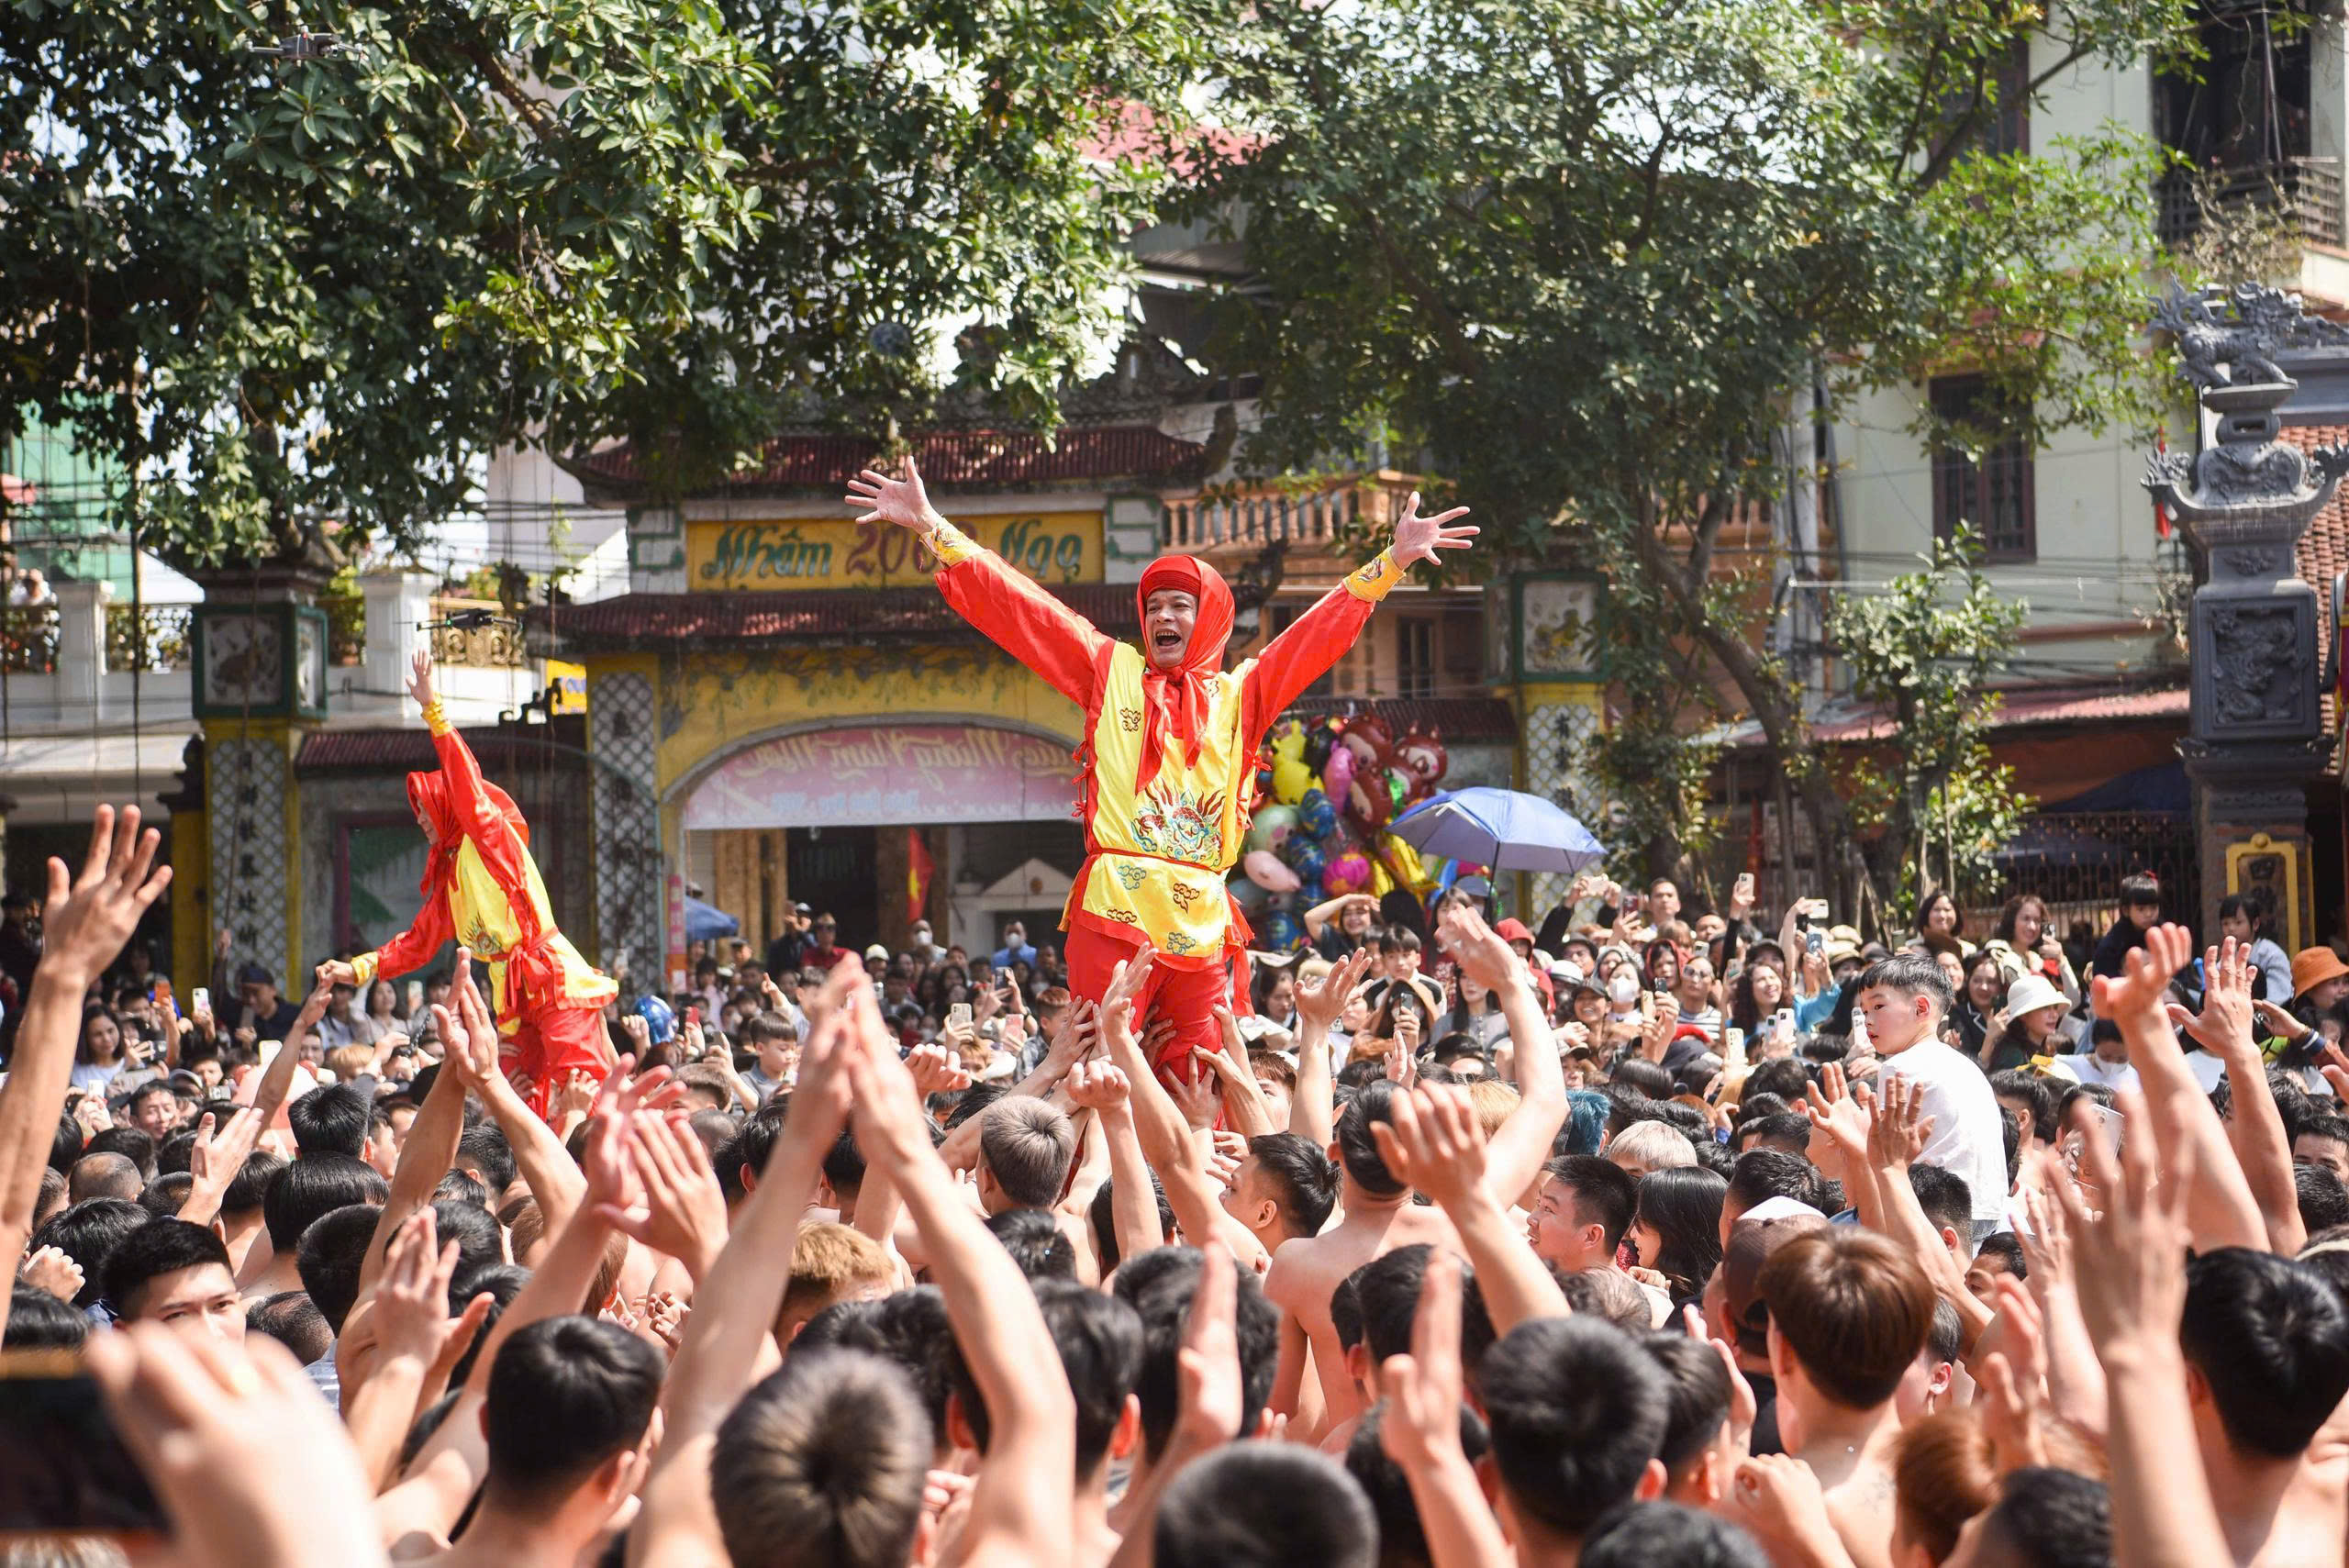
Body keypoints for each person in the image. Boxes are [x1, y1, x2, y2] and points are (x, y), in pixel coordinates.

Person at [850, 457, 1475, 1087]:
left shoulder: (1244, 693)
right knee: (1096, 1078)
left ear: (1210, 618)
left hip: (1202, 918)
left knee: (1201, 1083)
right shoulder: (1108, 668)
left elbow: (1313, 638)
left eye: (1180, 605)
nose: (1163, 619)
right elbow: (1025, 612)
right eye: (1153, 607)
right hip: (1115, 905)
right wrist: (933, 527)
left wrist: (1390, 562)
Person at [317, 652, 615, 1117]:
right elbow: (416, 943)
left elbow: (468, 788)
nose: (421, 822)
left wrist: (433, 711)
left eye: (425, 812)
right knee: (520, 1095)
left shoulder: (490, 839)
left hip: (552, 979)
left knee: (582, 1088)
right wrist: (356, 970)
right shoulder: (451, 874)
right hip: (512, 991)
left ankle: (603, 1180)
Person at [1854, 954, 2009, 1239]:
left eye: (1878, 1006)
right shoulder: (1964, 1064)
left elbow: (1888, 1157)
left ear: (1921, 1007)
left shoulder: (1898, 1067)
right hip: (1990, 1209)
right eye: (1864, 1011)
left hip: (1937, 1211)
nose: (1868, 1020)